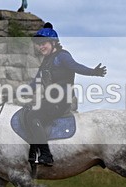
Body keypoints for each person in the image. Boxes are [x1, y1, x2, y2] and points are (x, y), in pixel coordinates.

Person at [24, 23, 107, 166]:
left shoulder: (62, 56)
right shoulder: (46, 61)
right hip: (50, 100)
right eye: (39, 45)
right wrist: (13, 94)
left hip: (61, 102)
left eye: (43, 43)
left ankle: (46, 155)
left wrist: (94, 72)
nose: (41, 47)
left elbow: (76, 67)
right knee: (26, 112)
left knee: (33, 116)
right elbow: (35, 83)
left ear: (53, 43)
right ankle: (33, 153)